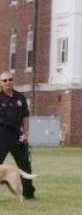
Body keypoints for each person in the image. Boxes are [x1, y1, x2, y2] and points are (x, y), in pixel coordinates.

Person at [0, 71, 36, 199]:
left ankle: (29, 193)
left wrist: (25, 133)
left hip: (17, 135)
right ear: (0, 83)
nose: (8, 82)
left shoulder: (20, 97)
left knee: (24, 164)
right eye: (4, 80)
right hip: (2, 135)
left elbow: (25, 117)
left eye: (10, 79)